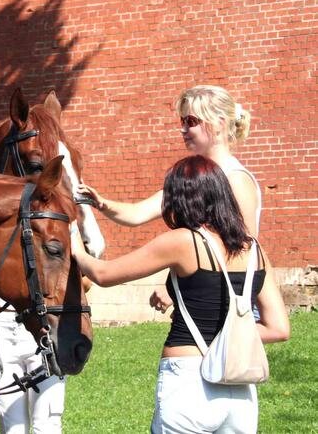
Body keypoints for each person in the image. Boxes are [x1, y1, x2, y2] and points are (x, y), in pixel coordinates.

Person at [73, 155, 290, 433]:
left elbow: (103, 275)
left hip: (188, 377)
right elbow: (279, 329)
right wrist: (229, 337)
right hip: (239, 385)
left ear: (181, 199)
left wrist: (76, 248)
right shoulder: (255, 251)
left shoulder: (184, 241)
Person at [78, 85, 261, 313]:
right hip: (205, 300)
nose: (183, 130)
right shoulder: (194, 179)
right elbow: (137, 214)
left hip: (233, 303)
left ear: (220, 123)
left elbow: (245, 249)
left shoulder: (236, 179)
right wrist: (101, 203)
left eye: (191, 121)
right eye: (182, 122)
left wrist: (175, 288)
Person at [0, 269, 66, 433]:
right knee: (10, 426)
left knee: (47, 425)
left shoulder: (53, 244)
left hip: (43, 326)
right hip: (2, 329)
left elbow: (85, 283)